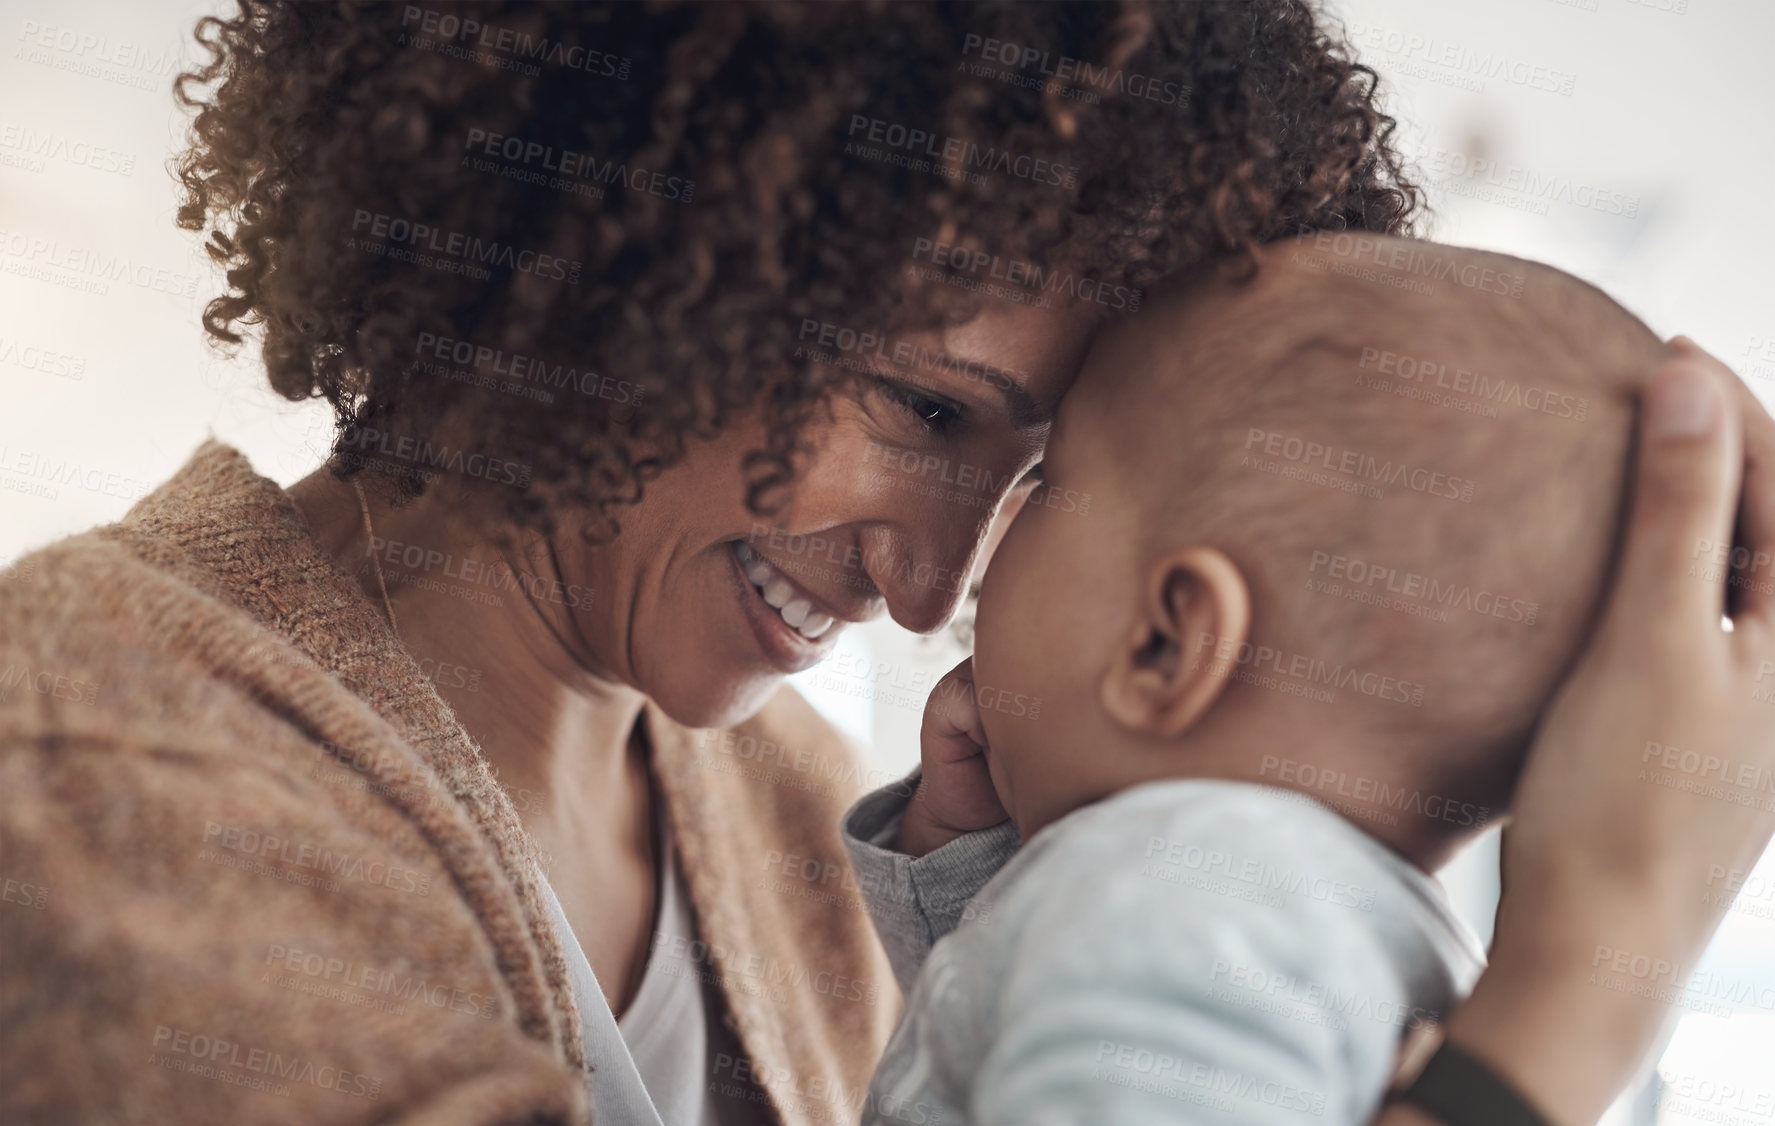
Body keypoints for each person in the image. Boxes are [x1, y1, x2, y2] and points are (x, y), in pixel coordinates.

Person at [0, 2, 1772, 1125]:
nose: (930, 594)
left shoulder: (787, 810)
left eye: (1027, 481)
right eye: (928, 408)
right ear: (637, 226)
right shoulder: (96, 739)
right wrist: (1575, 990)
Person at [855, 235, 1681, 1124]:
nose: (982, 550)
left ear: (1168, 641)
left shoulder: (1179, 910)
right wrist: (965, 854)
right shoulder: (1364, 936)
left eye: (1050, 484)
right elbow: (992, 1048)